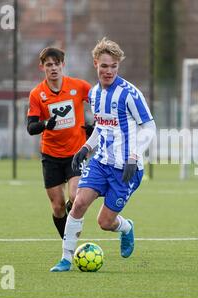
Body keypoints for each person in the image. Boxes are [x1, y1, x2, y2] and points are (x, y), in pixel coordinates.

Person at [50, 38, 156, 272]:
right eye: (104, 66)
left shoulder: (129, 94)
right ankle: (66, 259)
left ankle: (126, 228)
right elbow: (101, 127)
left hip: (126, 168)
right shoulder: (95, 94)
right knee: (78, 203)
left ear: (118, 66)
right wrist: (86, 148)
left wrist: (134, 156)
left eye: (114, 66)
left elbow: (149, 127)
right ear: (95, 63)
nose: (109, 71)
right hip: (101, 163)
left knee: (104, 223)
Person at [27, 47, 92, 239]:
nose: (53, 68)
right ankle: (68, 241)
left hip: (75, 152)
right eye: (49, 65)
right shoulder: (37, 94)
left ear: (63, 65)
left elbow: (100, 102)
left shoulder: (79, 86)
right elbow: (31, 127)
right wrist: (46, 124)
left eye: (57, 64)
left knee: (75, 197)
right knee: (57, 207)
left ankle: (71, 239)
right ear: (42, 67)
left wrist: (95, 125)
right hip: (51, 156)